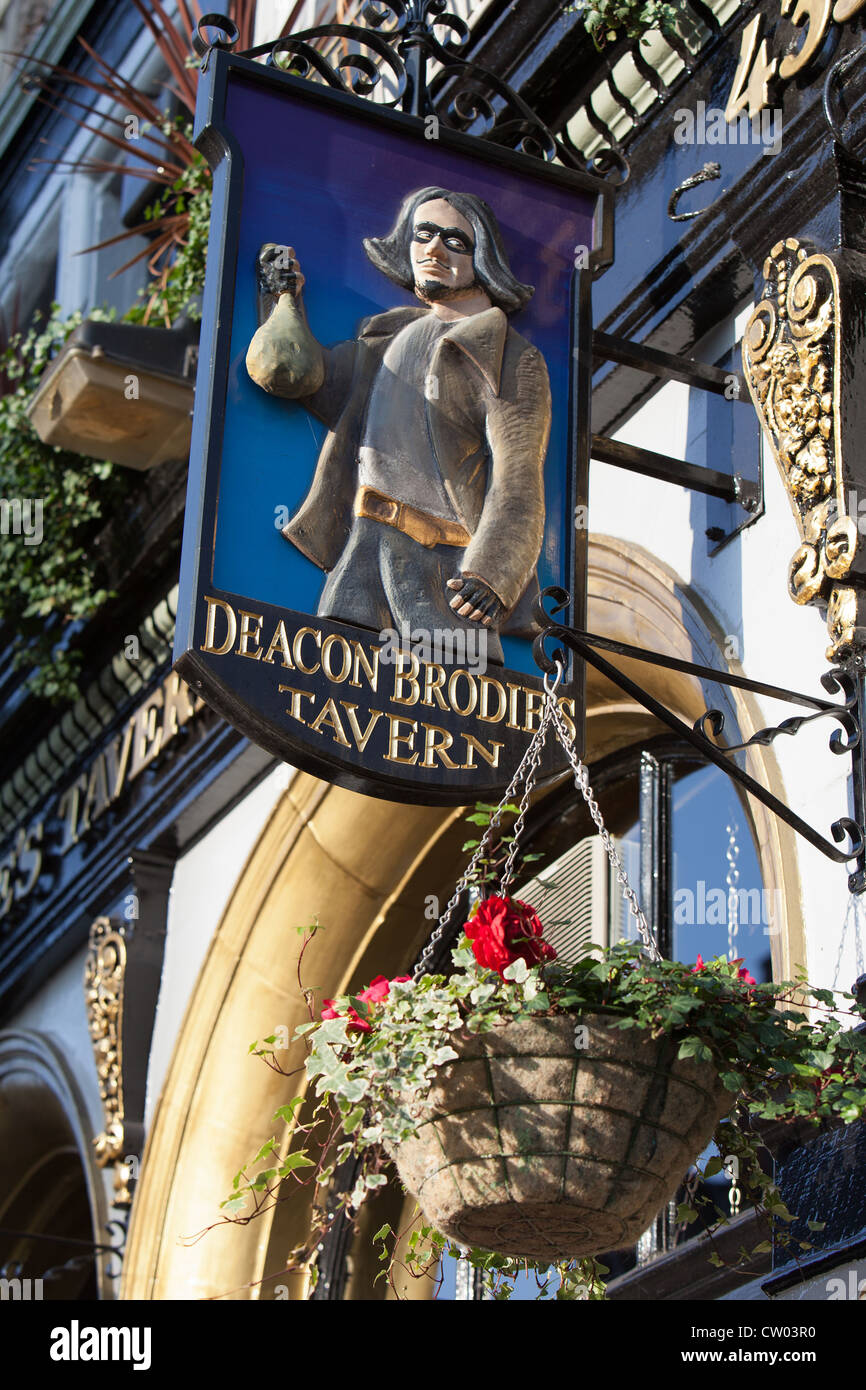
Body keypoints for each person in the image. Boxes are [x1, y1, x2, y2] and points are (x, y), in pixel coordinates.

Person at [245, 185, 551, 664]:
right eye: (423, 234)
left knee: (453, 719)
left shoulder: (510, 356)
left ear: (483, 258)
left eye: (455, 241)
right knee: (335, 695)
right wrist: (284, 297)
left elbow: (518, 478)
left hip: (446, 572)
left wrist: (493, 575)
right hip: (364, 549)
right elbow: (304, 379)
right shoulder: (388, 334)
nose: (433, 248)